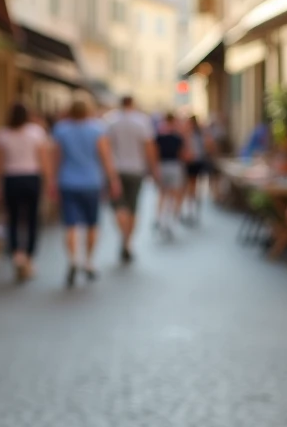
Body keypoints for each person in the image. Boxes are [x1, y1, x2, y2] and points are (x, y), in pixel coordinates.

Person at [50, 98, 119, 287]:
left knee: (71, 225)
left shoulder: (61, 129)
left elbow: (56, 158)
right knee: (92, 224)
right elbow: (105, 157)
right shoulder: (97, 129)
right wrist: (112, 179)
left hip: (68, 182)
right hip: (91, 183)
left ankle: (73, 260)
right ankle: (88, 262)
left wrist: (52, 181)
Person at [0, 101, 50, 281]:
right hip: (31, 178)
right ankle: (29, 256)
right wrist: (48, 181)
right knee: (32, 219)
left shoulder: (3, 134)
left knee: (13, 218)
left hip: (11, 179)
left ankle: (17, 254)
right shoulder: (36, 132)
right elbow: (43, 159)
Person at [103, 95, 159, 263]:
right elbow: (149, 147)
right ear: (133, 104)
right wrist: (153, 169)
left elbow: (104, 147)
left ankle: (123, 237)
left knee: (119, 207)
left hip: (115, 170)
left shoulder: (110, 121)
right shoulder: (142, 121)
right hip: (136, 170)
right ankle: (127, 242)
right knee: (133, 208)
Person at [153, 113, 189, 240]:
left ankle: (160, 218)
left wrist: (154, 168)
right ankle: (170, 220)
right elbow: (183, 154)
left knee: (163, 194)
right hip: (174, 166)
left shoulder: (159, 136)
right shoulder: (177, 137)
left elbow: (154, 153)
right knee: (174, 195)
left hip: (162, 166)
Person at [183, 114, 216, 226]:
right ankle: (192, 210)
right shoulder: (195, 133)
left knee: (193, 187)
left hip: (195, 162)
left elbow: (209, 145)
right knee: (191, 187)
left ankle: (192, 210)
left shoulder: (196, 134)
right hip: (194, 162)